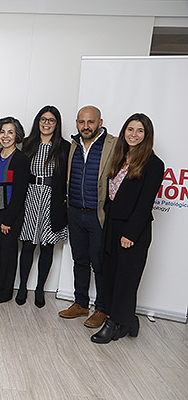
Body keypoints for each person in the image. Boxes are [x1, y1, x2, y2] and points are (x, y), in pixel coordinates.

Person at [91, 113, 164, 344]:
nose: (134, 134)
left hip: (133, 230)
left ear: (147, 135)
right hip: (112, 224)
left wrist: (130, 234)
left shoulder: (153, 164)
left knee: (126, 278)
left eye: (139, 130)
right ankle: (128, 321)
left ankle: (113, 323)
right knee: (110, 273)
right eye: (130, 129)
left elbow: (145, 204)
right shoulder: (120, 157)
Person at [59, 105, 117, 329]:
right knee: (80, 260)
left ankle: (102, 308)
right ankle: (81, 303)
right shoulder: (73, 144)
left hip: (97, 214)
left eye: (90, 122)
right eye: (82, 122)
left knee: (99, 262)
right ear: (76, 123)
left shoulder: (112, 144)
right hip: (74, 211)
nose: (86, 126)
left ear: (100, 123)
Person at [16, 105, 70, 308]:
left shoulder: (64, 147)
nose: (46, 123)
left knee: (47, 248)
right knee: (28, 246)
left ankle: (40, 289)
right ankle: (22, 287)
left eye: (51, 120)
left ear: (57, 124)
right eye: (43, 119)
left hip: (51, 200)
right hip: (30, 197)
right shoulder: (28, 144)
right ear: (38, 122)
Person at [0, 116, 30, 304]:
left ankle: (5, 292)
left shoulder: (21, 159)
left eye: (10, 132)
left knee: (8, 252)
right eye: (2, 131)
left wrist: (8, 220)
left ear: (17, 135)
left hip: (9, 212)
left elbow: (19, 193)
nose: (6, 136)